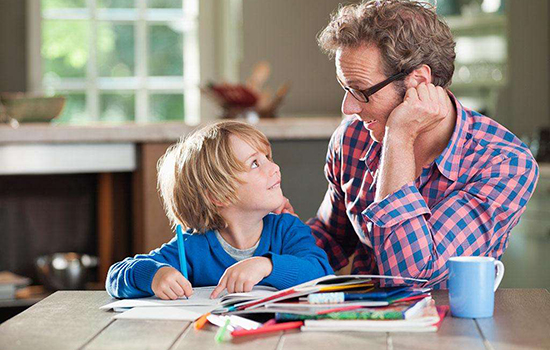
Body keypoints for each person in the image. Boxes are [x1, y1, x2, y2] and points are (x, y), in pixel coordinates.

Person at [283, 0, 538, 289]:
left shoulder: (504, 162)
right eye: (345, 88)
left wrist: (399, 139)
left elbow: (412, 276)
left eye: (361, 91)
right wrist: (272, 245)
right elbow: (331, 238)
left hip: (451, 329)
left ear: (418, 80)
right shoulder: (352, 139)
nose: (349, 107)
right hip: (365, 322)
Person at [106, 120, 333, 299]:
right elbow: (115, 276)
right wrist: (154, 275)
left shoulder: (287, 229)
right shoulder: (193, 248)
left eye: (268, 158)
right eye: (255, 163)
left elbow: (322, 274)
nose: (274, 167)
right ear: (218, 195)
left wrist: (267, 265)